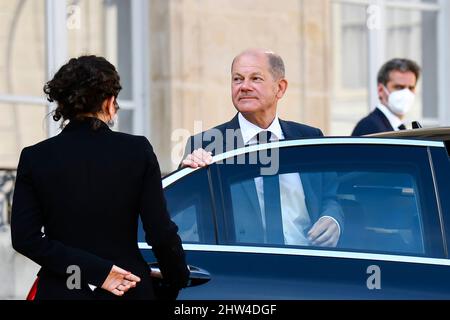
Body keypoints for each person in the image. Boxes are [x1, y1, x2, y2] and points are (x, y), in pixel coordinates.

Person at [11, 55, 189, 300]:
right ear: (109, 102)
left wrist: (96, 271)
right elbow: (160, 232)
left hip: (62, 289)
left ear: (64, 105)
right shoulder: (137, 150)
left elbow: (25, 239)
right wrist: (177, 278)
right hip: (129, 288)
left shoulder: (35, 157)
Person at [181, 49, 343, 247]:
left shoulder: (309, 138)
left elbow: (331, 197)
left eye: (255, 78)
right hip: (246, 270)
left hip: (307, 266)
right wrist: (189, 175)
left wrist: (332, 219)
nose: (244, 87)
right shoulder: (206, 146)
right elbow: (184, 220)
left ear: (280, 88)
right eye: (237, 79)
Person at [352, 58, 421, 136]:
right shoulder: (370, 127)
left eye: (411, 88)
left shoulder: (396, 127)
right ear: (381, 90)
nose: (406, 93)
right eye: (399, 87)